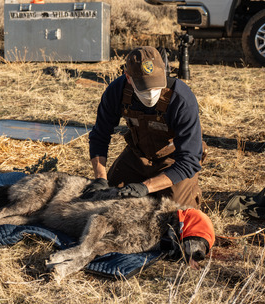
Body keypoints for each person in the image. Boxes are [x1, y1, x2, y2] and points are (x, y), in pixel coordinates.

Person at [84, 46, 206, 208]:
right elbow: (100, 136)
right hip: (137, 156)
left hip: (174, 160)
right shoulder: (116, 91)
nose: (151, 93)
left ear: (164, 73)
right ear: (128, 78)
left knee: (175, 212)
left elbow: (189, 161)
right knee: (107, 198)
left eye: (156, 85)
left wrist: (146, 186)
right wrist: (100, 178)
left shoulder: (181, 99)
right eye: (143, 86)